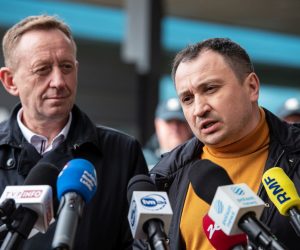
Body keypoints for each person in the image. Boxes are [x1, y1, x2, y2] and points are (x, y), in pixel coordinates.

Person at [0, 15, 148, 250]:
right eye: (43, 69)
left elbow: (140, 243)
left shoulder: (122, 152)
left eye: (66, 67)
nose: (58, 81)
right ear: (10, 81)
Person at [148, 38, 300, 250]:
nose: (199, 109)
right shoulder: (164, 176)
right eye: (187, 99)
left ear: (252, 87)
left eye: (210, 89)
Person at [143, 97, 193, 170]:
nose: (175, 128)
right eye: (169, 122)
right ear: (157, 125)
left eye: (180, 122)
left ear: (189, 126)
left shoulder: (202, 156)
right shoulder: (142, 159)